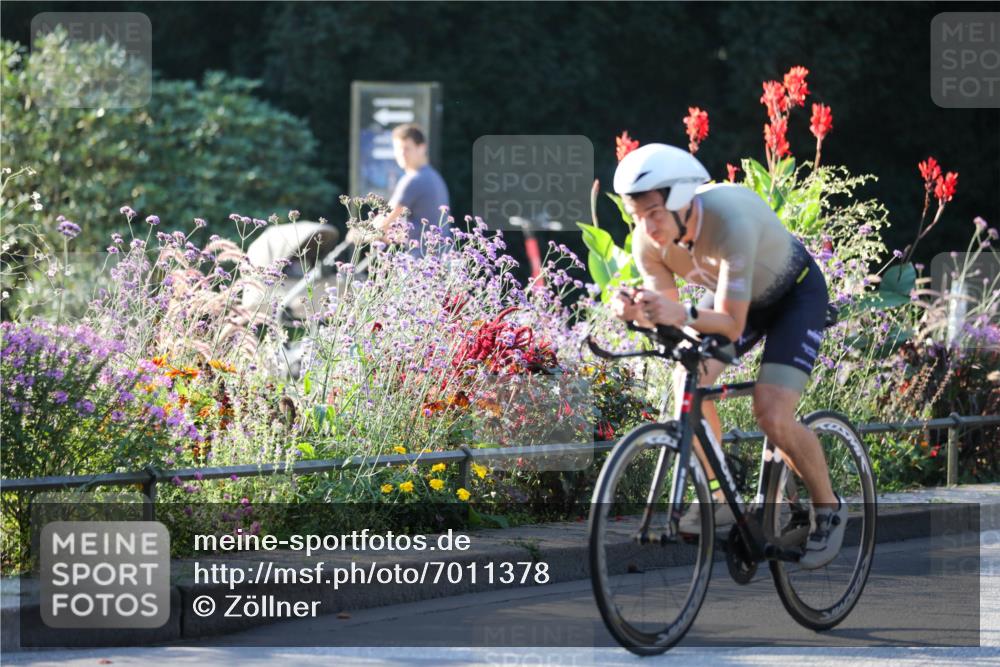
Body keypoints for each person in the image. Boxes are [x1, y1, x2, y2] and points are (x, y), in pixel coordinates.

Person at [610, 143, 846, 569]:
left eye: (654, 213)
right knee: (687, 380)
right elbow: (671, 317)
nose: (645, 225)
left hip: (793, 298)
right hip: (735, 301)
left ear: (682, 200)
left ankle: (828, 508)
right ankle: (720, 497)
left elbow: (731, 326)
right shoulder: (648, 241)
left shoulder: (731, 221)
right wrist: (638, 312)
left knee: (772, 413)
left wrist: (680, 313)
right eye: (636, 215)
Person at [375, 123, 450, 257]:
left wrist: (359, 233)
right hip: (441, 258)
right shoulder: (434, 177)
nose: (402, 154)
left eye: (407, 148)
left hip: (423, 262)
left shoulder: (413, 180)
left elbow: (385, 221)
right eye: (398, 149)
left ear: (422, 148)